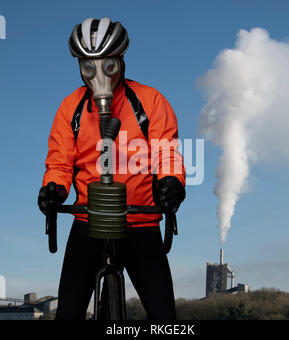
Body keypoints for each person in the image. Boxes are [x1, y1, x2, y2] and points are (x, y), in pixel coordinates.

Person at [38, 17, 186, 320]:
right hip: (88, 220)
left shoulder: (150, 101)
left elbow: (167, 152)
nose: (98, 77)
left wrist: (172, 181)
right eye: (88, 68)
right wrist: (53, 188)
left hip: (139, 222)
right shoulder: (71, 108)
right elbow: (60, 161)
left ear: (121, 60)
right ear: (79, 66)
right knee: (67, 313)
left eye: (107, 66)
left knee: (164, 318)